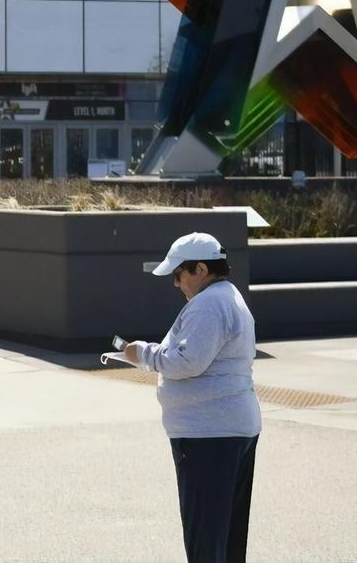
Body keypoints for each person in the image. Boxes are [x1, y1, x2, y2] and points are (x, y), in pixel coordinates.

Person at [123, 232, 261, 563]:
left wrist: (142, 353)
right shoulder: (228, 297)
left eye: (178, 274)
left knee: (205, 540)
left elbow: (186, 361)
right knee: (226, 538)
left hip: (209, 435)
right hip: (228, 429)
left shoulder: (209, 304)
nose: (176, 283)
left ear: (200, 269)